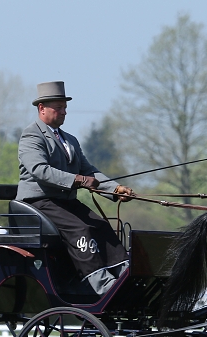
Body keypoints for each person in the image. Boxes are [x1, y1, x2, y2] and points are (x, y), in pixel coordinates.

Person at [17, 81, 134, 296]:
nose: (64, 112)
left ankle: (124, 272)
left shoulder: (70, 140)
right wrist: (78, 180)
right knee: (81, 229)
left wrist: (115, 189)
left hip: (65, 202)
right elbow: (39, 169)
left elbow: (89, 171)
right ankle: (101, 283)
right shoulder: (31, 136)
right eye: (58, 108)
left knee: (100, 225)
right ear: (42, 108)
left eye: (64, 107)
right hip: (40, 202)